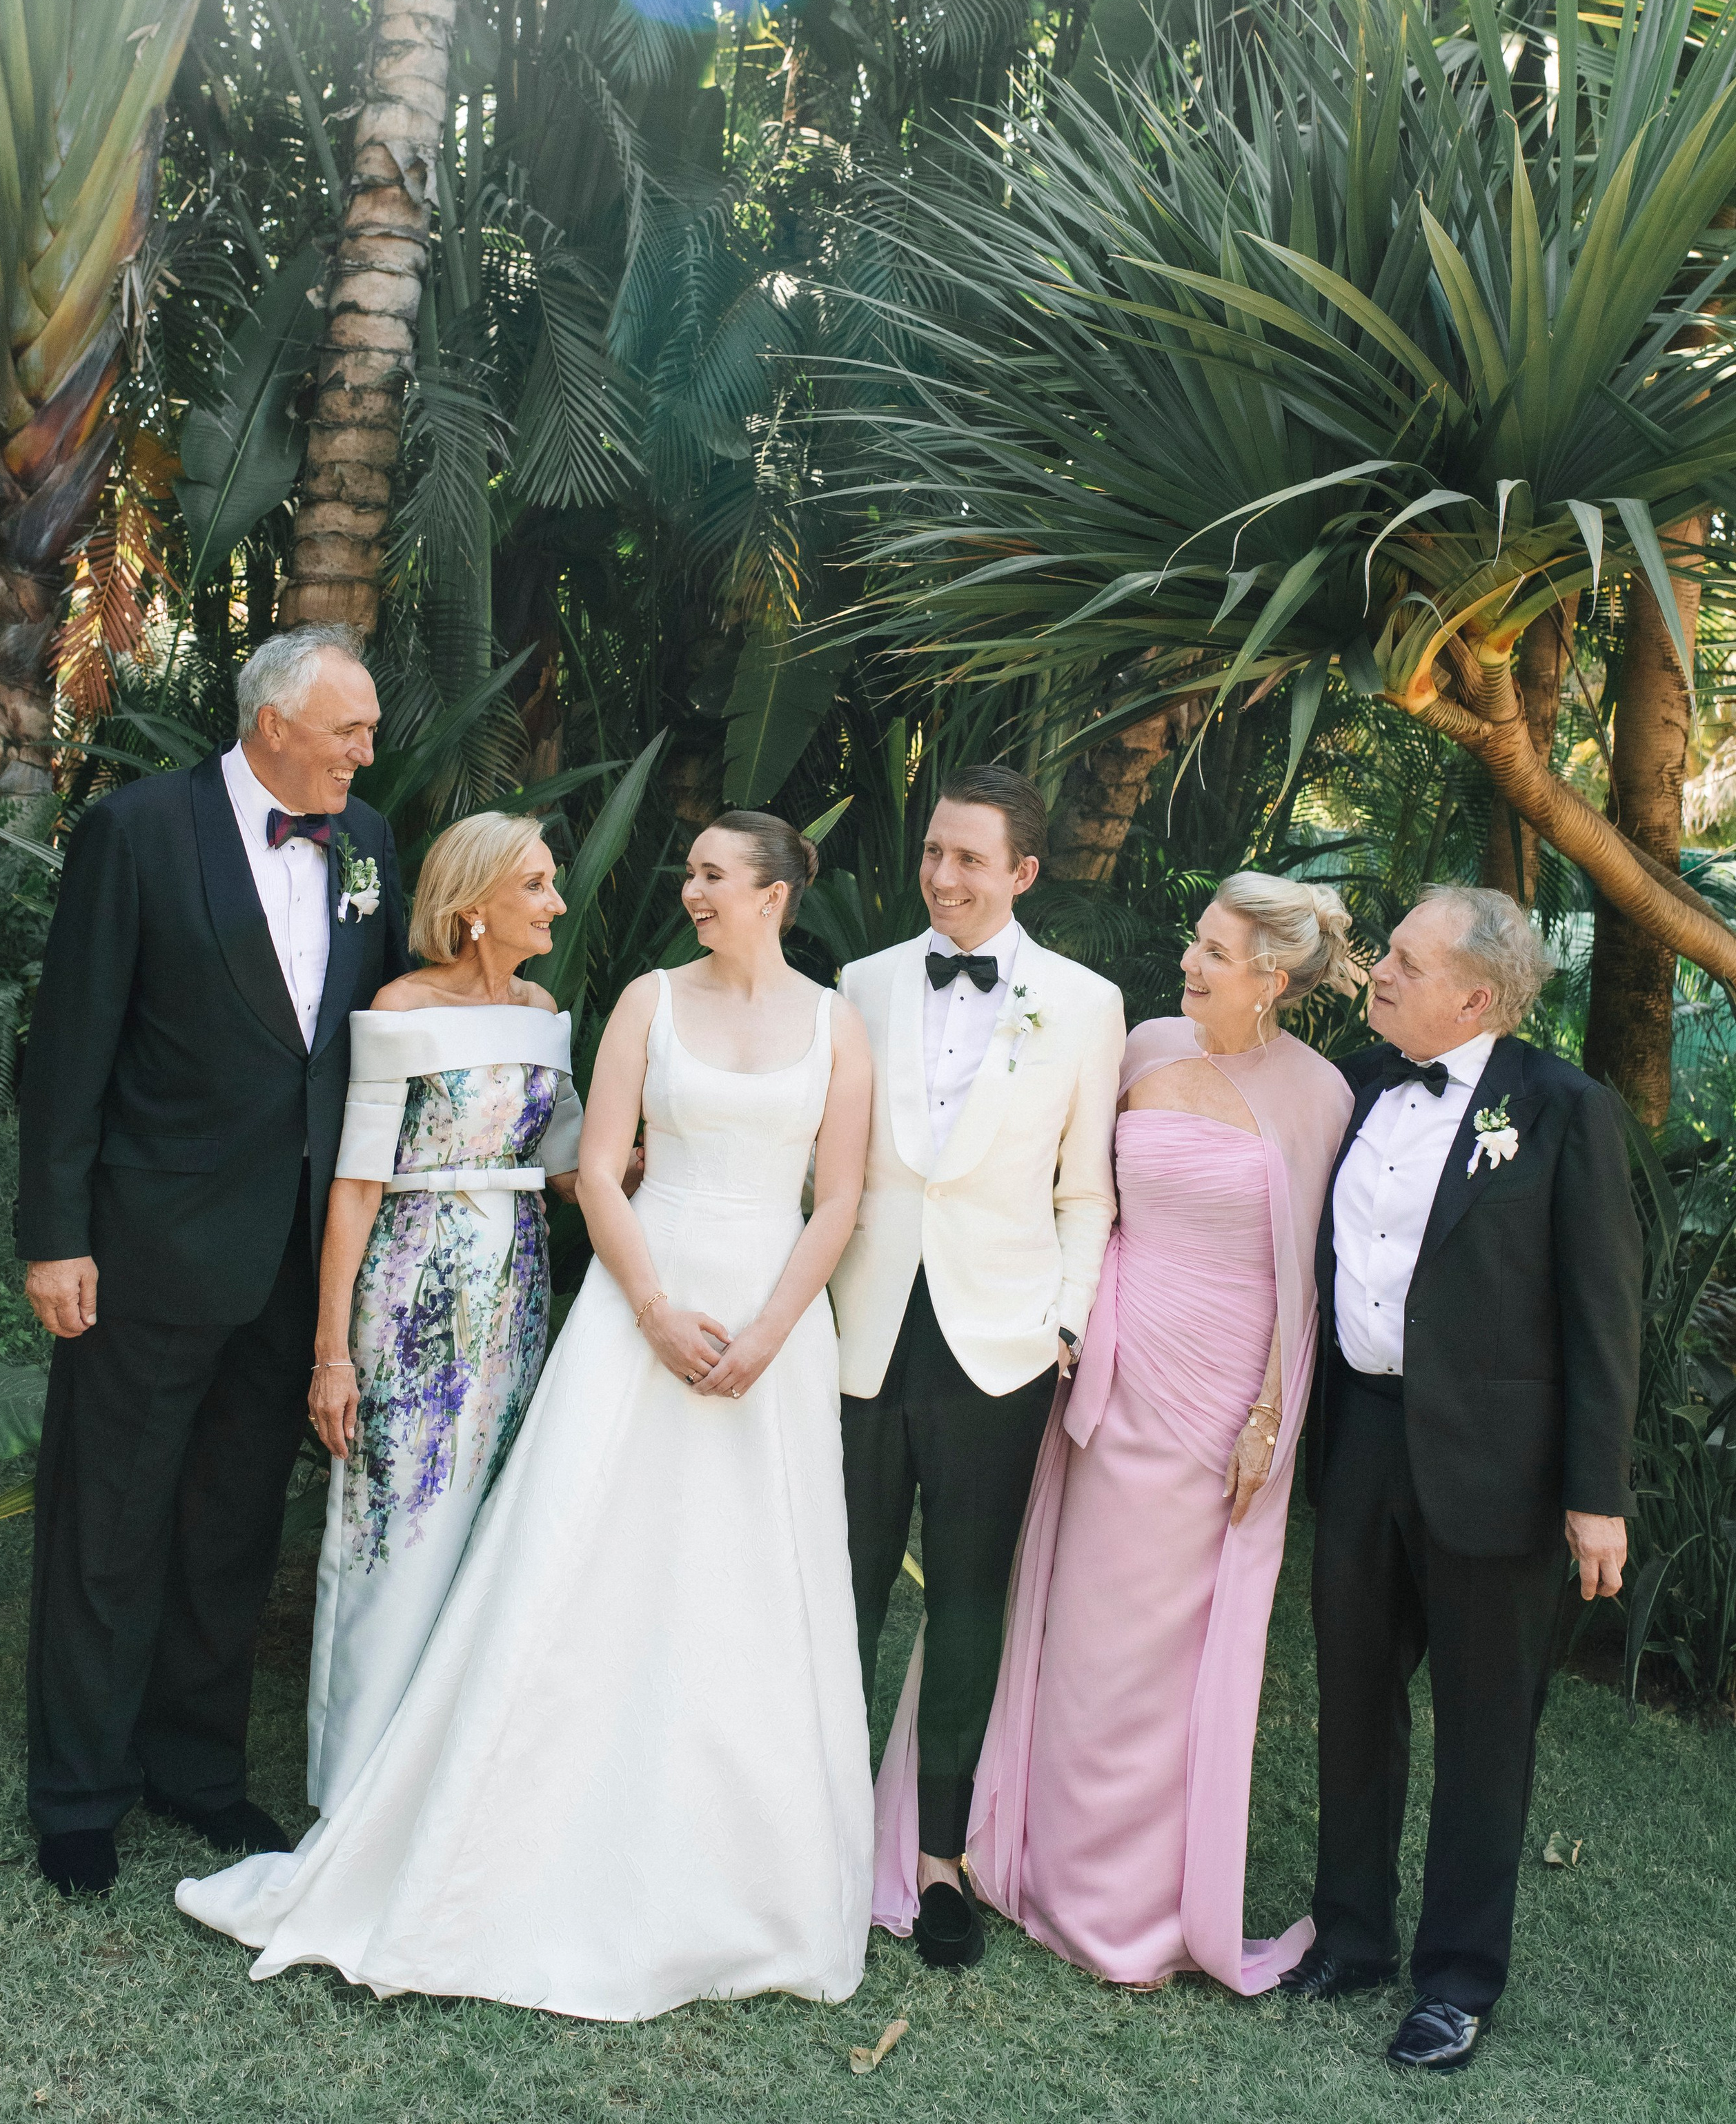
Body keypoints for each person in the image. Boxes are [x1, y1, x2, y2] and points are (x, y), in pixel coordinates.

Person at [177, 810, 877, 2021]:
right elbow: (598, 1168)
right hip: (632, 1311)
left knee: (757, 1578)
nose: (690, 886)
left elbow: (842, 1196)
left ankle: (743, 1869)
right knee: (573, 1564)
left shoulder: (838, 1024)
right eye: (692, 866)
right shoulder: (648, 1002)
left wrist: (767, 1332)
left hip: (773, 1329)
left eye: (712, 873)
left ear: (774, 893)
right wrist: (652, 1305)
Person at [17, 627, 408, 1899]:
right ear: (275, 724)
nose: (369, 748)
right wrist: (55, 1236)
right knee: (107, 1526)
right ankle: (79, 1795)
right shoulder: (138, 829)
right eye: (350, 728)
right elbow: (69, 1046)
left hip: (294, 1256)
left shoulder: (370, 846)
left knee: (231, 1524)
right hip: (144, 1250)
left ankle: (193, 1770)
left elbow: (373, 1038)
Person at [964, 875, 1355, 1992]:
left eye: (1216, 953)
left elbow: (1303, 1283)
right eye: (1196, 941)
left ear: (1272, 980)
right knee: (1088, 1634)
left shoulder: (1319, 1096)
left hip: (1224, 1392)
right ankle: (1043, 1866)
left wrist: (1270, 1417)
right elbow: (1084, 1196)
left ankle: (1133, 1905)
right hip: (1120, 1374)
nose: (1190, 963)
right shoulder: (1138, 1047)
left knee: (1169, 1655)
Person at [1279, 885, 1641, 2074]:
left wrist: (1597, 1496)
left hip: (1504, 1474)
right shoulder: (1370, 1085)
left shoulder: (1563, 1111)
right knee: (1354, 1705)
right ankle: (1351, 1936)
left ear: (1476, 997)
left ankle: (1456, 1980)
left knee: (1487, 1733)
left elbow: (1604, 1320)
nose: (1375, 971)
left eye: (1402, 960)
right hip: (1366, 1438)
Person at [837, 765, 1126, 1968]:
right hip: (856, 1331)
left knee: (964, 1601)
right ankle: (815, 1826)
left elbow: (1086, 1188)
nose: (945, 877)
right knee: (837, 1585)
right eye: (934, 854)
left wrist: (1063, 1322)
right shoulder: (858, 986)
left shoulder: (1088, 1002)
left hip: (999, 1345)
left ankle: (940, 1858)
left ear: (1022, 873)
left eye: (971, 859)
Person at [302, 811, 584, 1816]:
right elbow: (355, 1188)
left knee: (480, 1528)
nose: (557, 901)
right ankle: (351, 1792)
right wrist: (332, 1353)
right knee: (398, 1522)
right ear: (472, 910)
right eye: (536, 885)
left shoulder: (547, 1013)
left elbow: (569, 1172)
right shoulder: (401, 1009)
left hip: (514, 1306)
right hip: (411, 1303)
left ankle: (438, 1785)